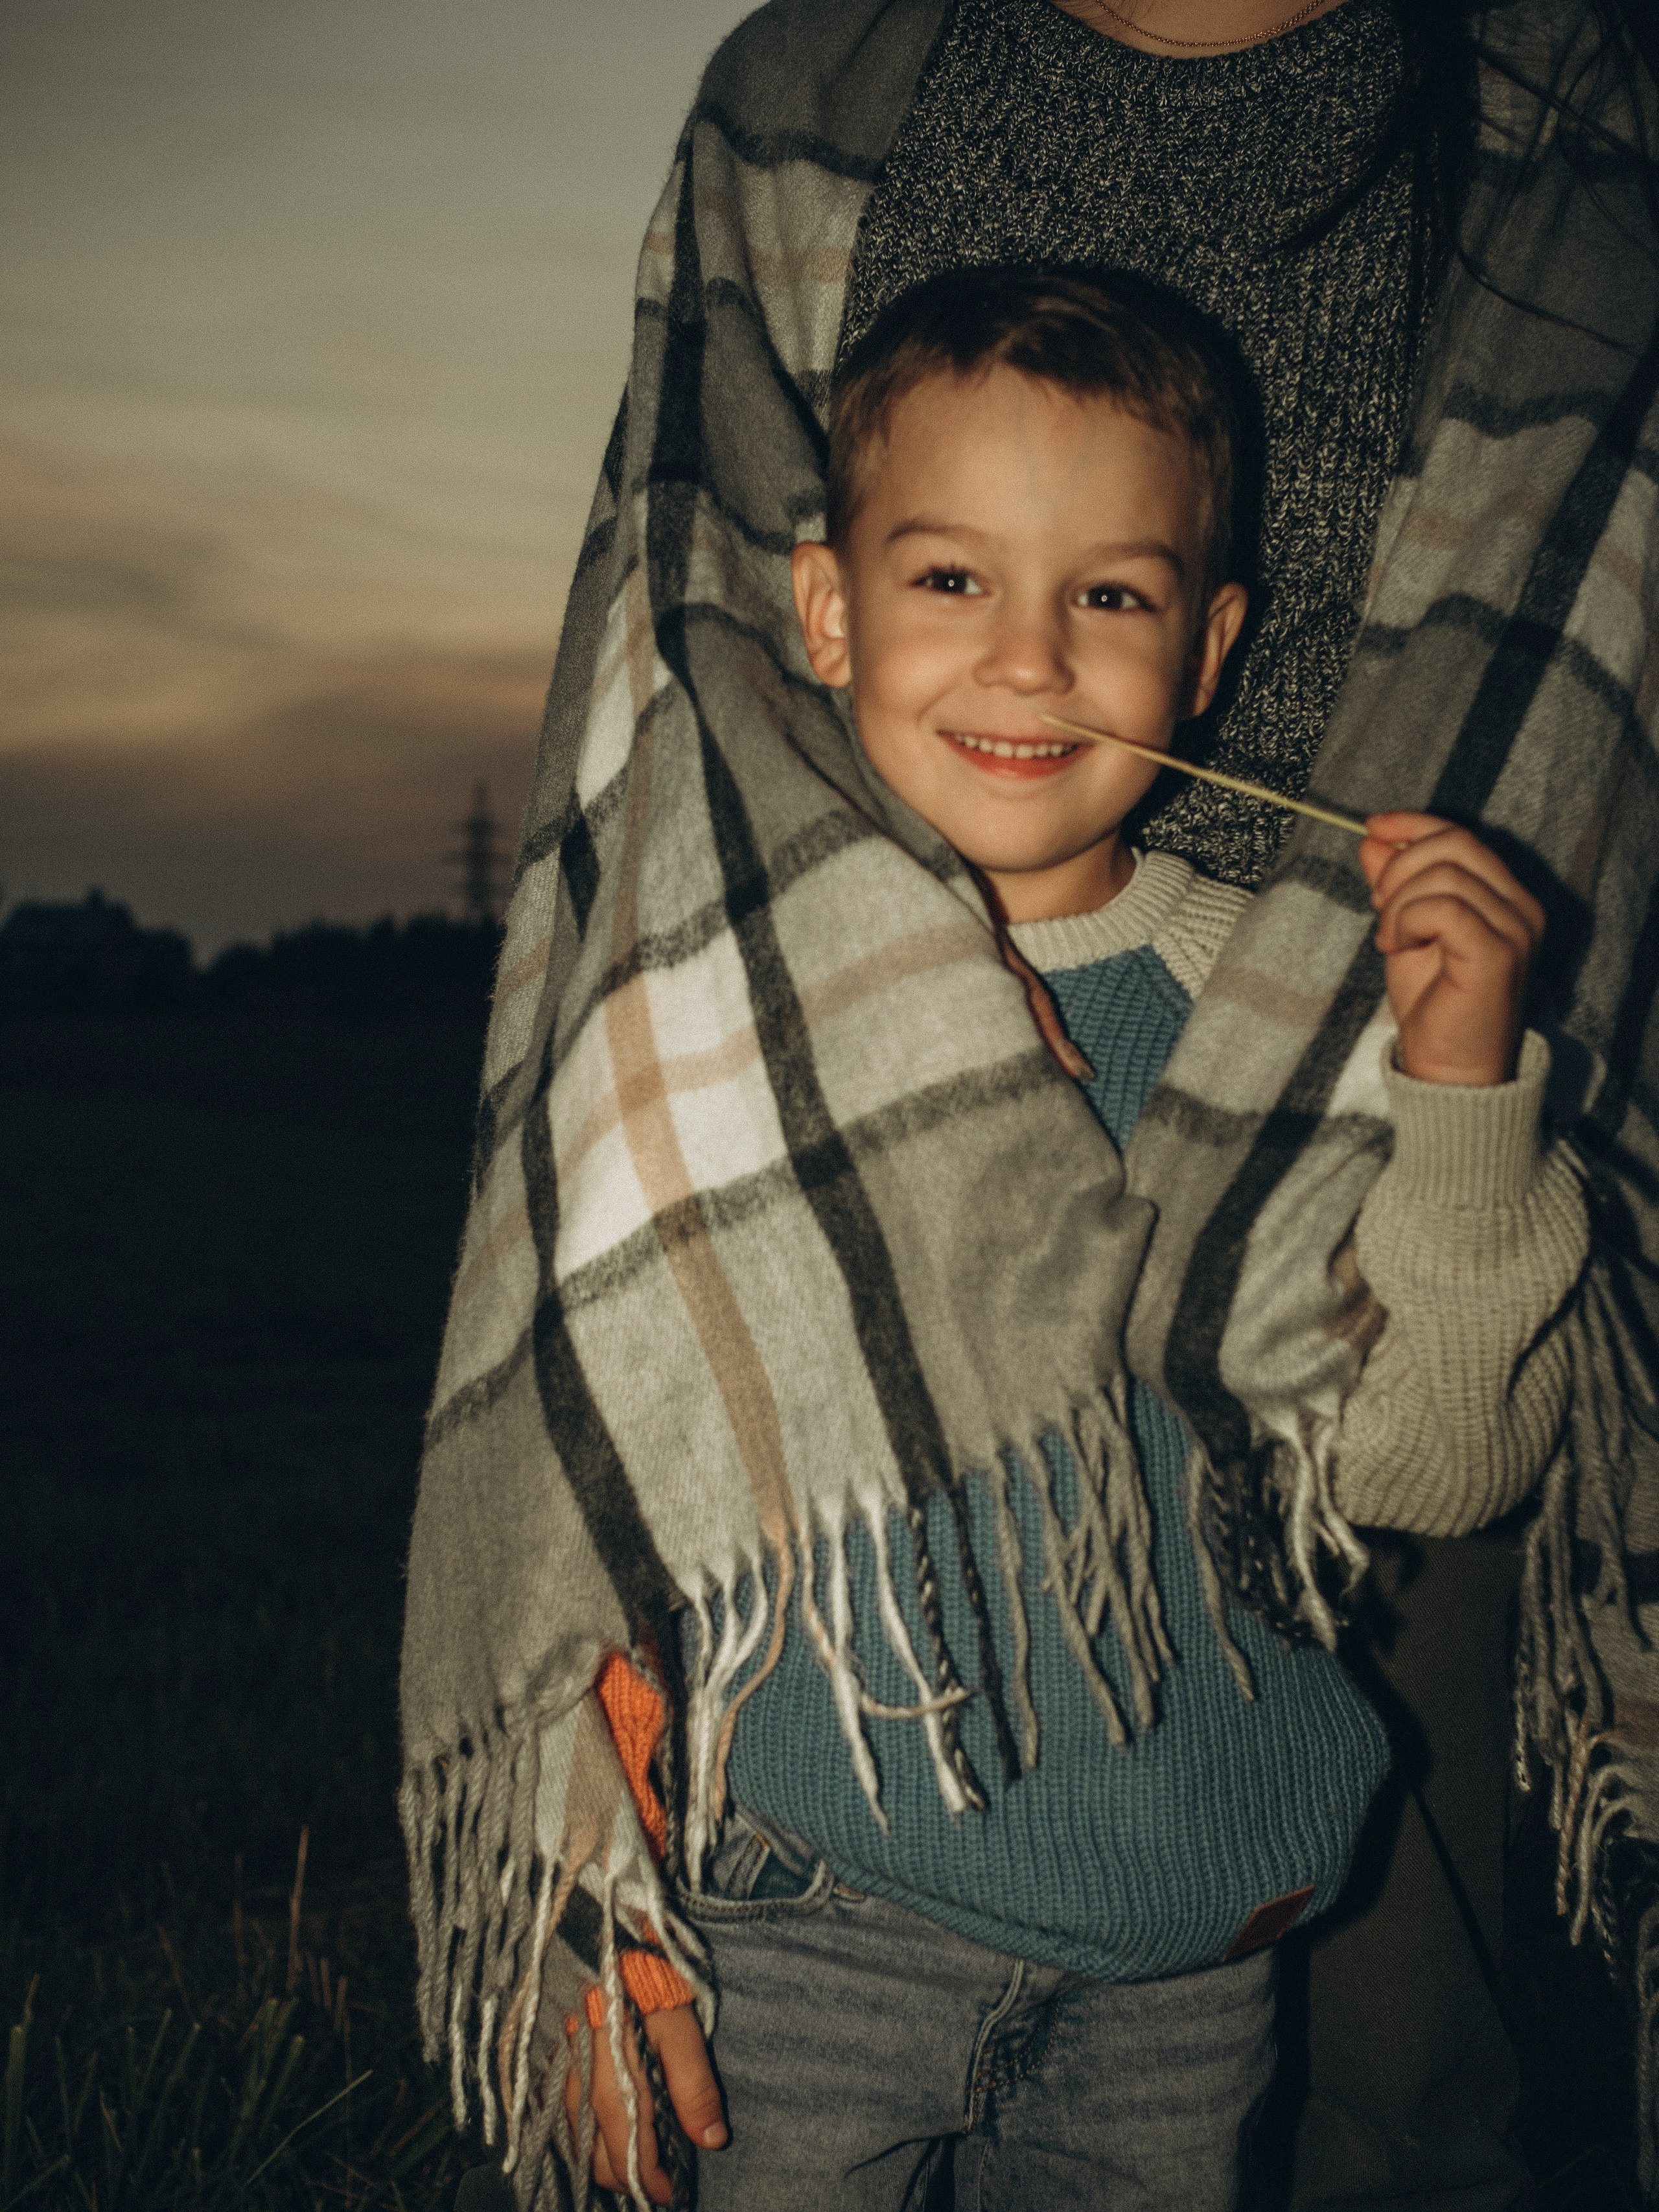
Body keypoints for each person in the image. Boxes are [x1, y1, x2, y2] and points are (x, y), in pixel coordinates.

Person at [402, 7, 1659, 2210]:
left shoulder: (1262, 1016)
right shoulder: (720, 1010)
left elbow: (1435, 1458)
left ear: (1213, 649)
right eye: (953, 579)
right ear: (825, 604)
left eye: (1113, 600)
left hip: (1183, 1979)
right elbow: (604, 1416)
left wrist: (1463, 1102)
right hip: (805, 1938)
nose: (1028, 659)